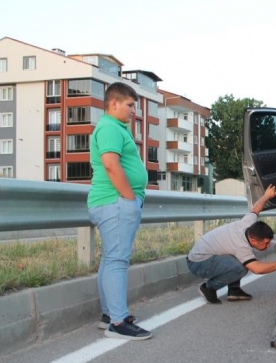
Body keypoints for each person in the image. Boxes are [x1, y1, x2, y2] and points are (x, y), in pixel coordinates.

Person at [88, 82, 151, 341]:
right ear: (114, 103)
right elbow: (111, 165)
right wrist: (129, 198)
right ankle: (118, 321)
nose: (133, 110)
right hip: (115, 202)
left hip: (112, 202)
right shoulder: (109, 128)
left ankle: (108, 315)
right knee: (117, 260)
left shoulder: (114, 128)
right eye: (130, 105)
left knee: (110, 259)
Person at [187, 184, 276, 304]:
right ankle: (208, 288)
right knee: (240, 267)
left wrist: (266, 196)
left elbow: (255, 209)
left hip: (203, 255)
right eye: (265, 243)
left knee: (237, 260)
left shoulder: (249, 224)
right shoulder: (241, 245)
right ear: (254, 240)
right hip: (198, 263)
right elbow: (257, 269)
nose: (268, 246)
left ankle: (234, 290)